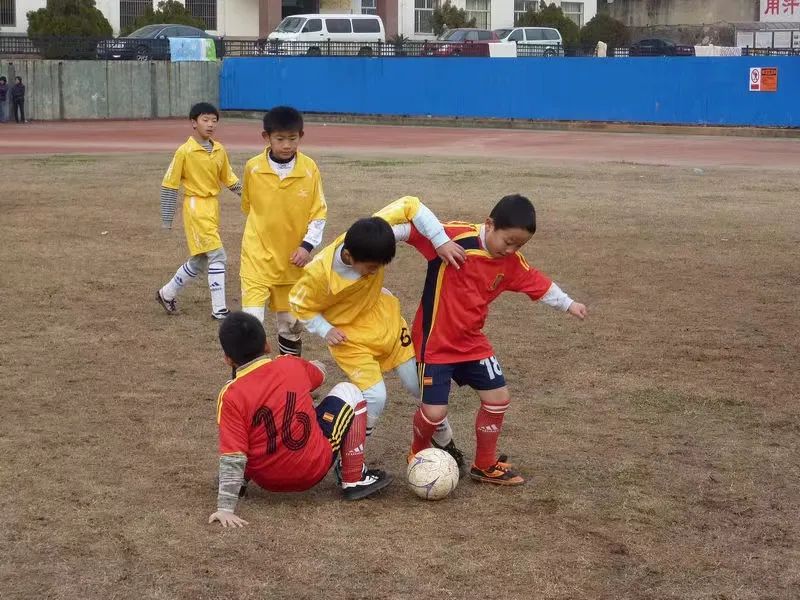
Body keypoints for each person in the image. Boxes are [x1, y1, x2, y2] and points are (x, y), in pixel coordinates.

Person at [405, 194, 588, 486]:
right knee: (435, 411)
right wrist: (375, 235)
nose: (512, 249)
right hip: (435, 343)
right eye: (508, 241)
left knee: (498, 398)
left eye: (520, 245)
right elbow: (411, 228)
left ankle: (485, 464)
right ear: (490, 225)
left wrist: (568, 304)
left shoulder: (512, 262)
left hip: (472, 343)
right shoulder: (454, 238)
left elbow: (538, 282)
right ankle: (417, 453)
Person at [288, 196, 468, 464]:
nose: (375, 272)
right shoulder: (318, 275)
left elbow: (411, 205)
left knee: (423, 388)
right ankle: (350, 463)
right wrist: (325, 330)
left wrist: (440, 240)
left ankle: (446, 444)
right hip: (350, 338)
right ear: (349, 256)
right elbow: (298, 304)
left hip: (387, 322)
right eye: (372, 268)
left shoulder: (375, 232)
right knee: (375, 397)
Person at [208, 312, 392, 528]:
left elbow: (233, 455)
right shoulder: (290, 364)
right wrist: (309, 367)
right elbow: (320, 375)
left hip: (266, 478)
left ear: (227, 359)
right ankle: (353, 478)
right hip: (312, 468)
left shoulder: (231, 394)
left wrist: (225, 509)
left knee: (243, 433)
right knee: (349, 390)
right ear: (267, 345)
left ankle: (238, 482)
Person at [240, 106, 326, 357]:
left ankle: (290, 380)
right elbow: (249, 206)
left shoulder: (309, 169)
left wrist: (306, 246)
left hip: (292, 263)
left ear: (301, 136)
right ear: (266, 137)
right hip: (256, 258)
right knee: (250, 327)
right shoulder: (253, 168)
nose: (287, 145)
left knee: (290, 325)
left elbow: (319, 212)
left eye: (292, 138)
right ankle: (248, 383)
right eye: (280, 139)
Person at [156, 102, 241, 320]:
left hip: (212, 208)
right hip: (195, 208)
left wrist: (250, 196)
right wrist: (167, 219)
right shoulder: (185, 151)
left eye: (214, 120)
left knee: (201, 259)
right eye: (205, 120)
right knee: (218, 255)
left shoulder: (219, 149)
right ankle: (219, 309)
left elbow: (229, 179)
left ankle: (166, 293)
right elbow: (170, 184)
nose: (210, 124)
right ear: (194, 123)